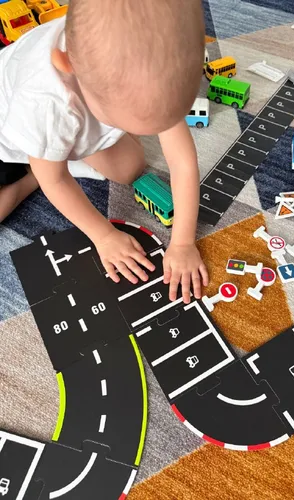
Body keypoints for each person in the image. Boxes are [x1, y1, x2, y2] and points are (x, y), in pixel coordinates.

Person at [0, 0, 209, 304]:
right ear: (70, 67)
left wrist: (183, 242)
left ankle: (52, 157)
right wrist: (104, 235)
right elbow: (55, 182)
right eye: (124, 121)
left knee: (129, 168)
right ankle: (34, 171)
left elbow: (183, 163)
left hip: (69, 127)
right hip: (9, 138)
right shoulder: (45, 104)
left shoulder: (160, 71)